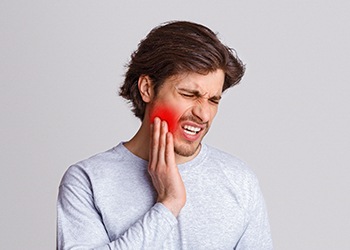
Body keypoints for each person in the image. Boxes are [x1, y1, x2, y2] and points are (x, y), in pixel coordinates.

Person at [57, 21, 273, 249]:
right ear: (147, 89)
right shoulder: (88, 181)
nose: (203, 113)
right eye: (189, 94)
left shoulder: (240, 181)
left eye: (213, 100)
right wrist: (168, 205)